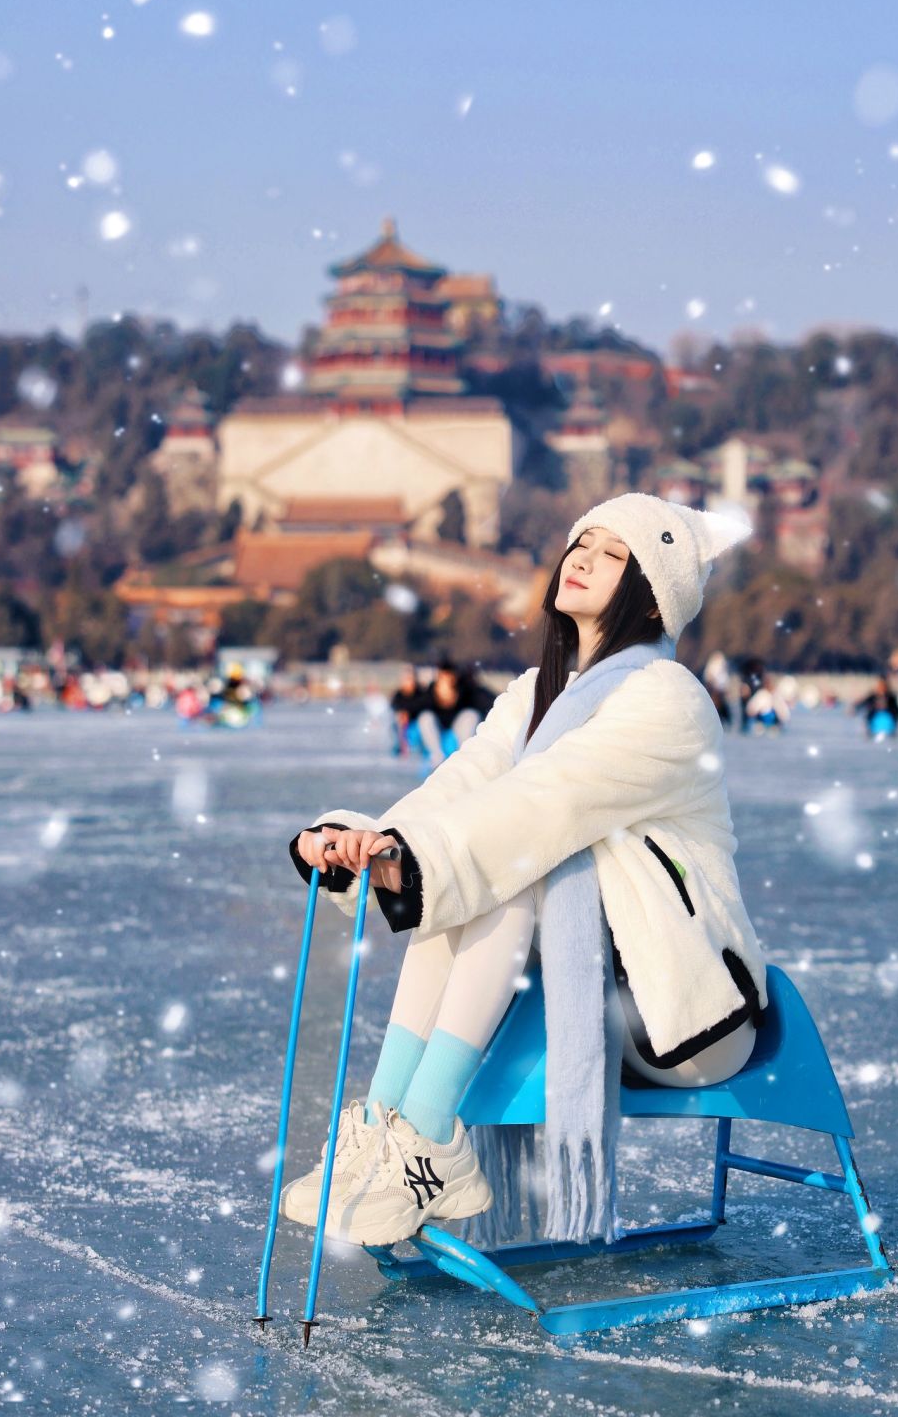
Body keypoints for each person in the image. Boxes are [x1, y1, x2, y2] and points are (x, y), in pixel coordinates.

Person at [285, 494, 767, 1250]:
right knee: (464, 872)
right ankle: (392, 1125)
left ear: (651, 590)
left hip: (681, 1006)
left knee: (505, 866)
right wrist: (365, 840)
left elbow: (538, 805)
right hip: (585, 987)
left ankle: (429, 1131)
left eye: (612, 554)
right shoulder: (538, 695)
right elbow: (462, 785)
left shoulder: (668, 699)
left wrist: (413, 860)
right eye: (582, 543)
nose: (580, 559)